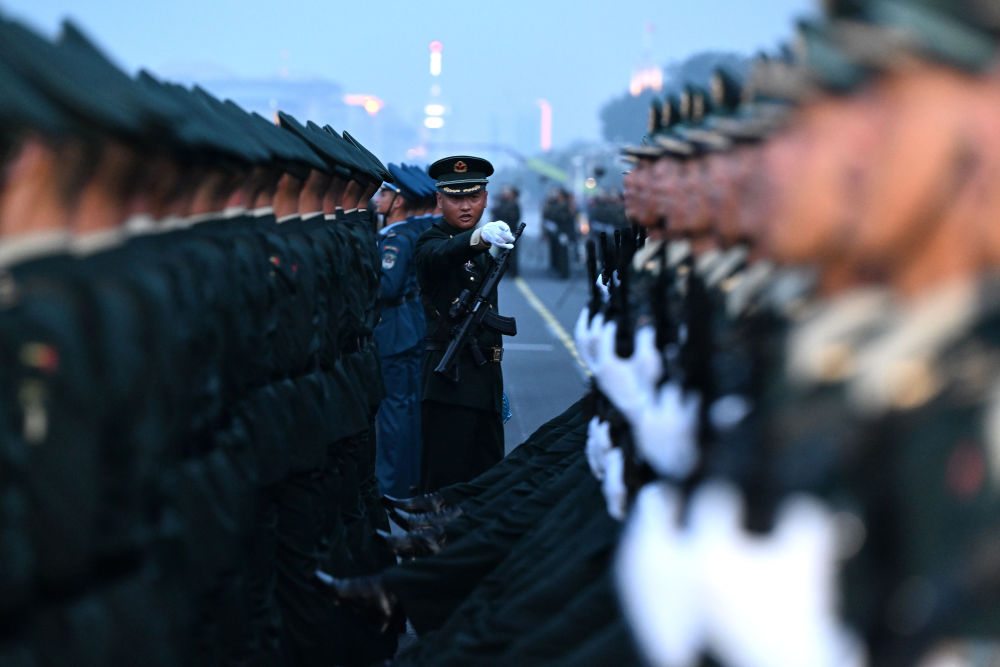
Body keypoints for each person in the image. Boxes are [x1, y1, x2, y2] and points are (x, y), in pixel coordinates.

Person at [414, 155, 515, 492]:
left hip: (485, 381)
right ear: (439, 199)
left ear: (485, 197)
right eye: (456, 198)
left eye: (473, 196)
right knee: (445, 484)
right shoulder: (431, 241)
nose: (466, 206)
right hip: (450, 383)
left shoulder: (481, 247)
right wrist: (480, 239)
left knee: (486, 484)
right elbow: (441, 255)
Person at [490, 185, 522, 278]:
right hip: (501, 232)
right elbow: (494, 214)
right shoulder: (502, 203)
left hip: (511, 231)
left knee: (511, 253)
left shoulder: (513, 204)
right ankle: (501, 270)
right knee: (501, 251)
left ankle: (513, 272)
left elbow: (512, 217)